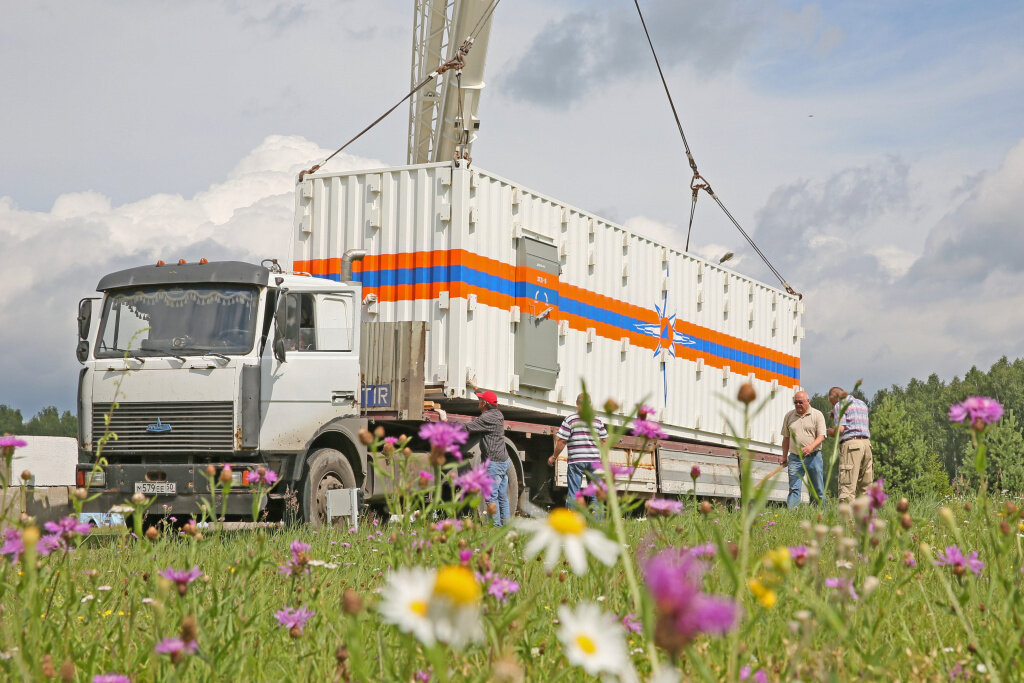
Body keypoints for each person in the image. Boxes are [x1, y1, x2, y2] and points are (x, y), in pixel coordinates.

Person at [459, 387, 510, 526]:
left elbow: (467, 428)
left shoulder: (486, 418)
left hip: (494, 463)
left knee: (491, 498)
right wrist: (476, 388)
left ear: (484, 404)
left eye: (480, 400)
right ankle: (506, 527)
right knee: (502, 497)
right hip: (504, 461)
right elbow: (485, 398)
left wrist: (446, 422)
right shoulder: (498, 414)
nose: (478, 401)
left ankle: (495, 528)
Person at [548, 393, 608, 507]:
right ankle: (596, 523)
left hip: (576, 461)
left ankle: (572, 521)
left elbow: (562, 441)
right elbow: (605, 440)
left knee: (574, 494)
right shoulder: (597, 420)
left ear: (577, 404)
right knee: (595, 495)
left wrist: (554, 457)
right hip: (594, 461)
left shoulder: (570, 419)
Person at [827, 386, 873, 503]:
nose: (833, 406)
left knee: (847, 486)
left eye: (832, 402)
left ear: (834, 397)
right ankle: (866, 518)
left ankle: (846, 519)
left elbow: (841, 429)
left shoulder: (840, 405)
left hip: (852, 446)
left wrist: (831, 431)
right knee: (866, 487)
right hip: (867, 445)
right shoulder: (861, 403)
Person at [781, 390, 826, 508]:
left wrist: (811, 447)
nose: (797, 405)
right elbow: (786, 438)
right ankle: (792, 516)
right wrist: (784, 456)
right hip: (795, 458)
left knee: (818, 489)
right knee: (794, 489)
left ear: (808, 401)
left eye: (800, 402)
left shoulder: (817, 415)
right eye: (795, 402)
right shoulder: (789, 416)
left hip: (813, 457)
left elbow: (821, 436)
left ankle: (821, 514)